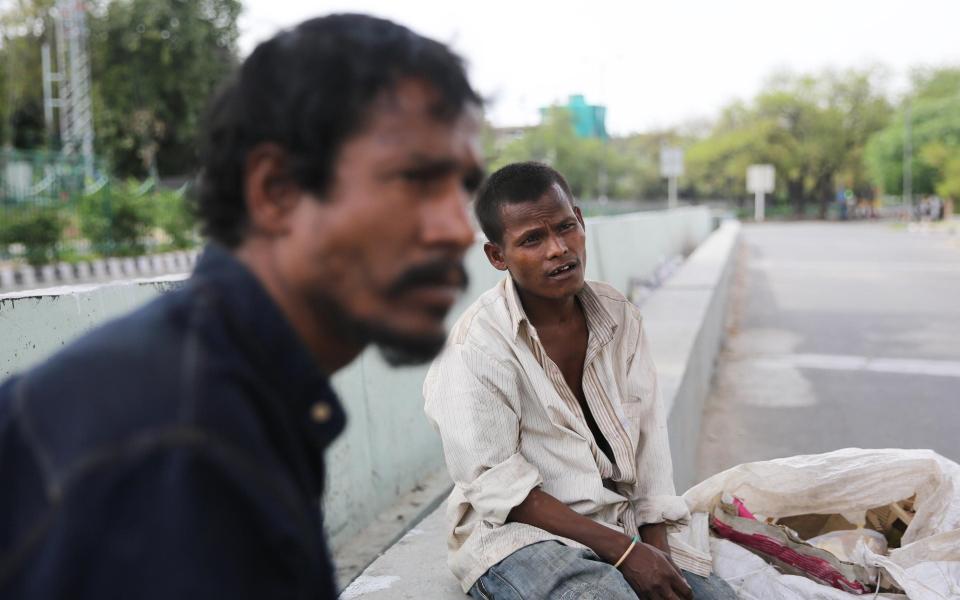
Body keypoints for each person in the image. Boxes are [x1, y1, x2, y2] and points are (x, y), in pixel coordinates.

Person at [0, 14, 482, 599]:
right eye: (417, 180)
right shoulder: (180, 454)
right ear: (276, 190)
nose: (459, 228)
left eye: (464, 188)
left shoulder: (225, 395)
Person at [424, 162, 737, 599]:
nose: (558, 249)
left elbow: (650, 457)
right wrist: (628, 555)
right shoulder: (476, 347)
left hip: (615, 525)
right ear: (498, 256)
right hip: (518, 540)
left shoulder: (619, 316)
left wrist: (656, 555)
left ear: (582, 222)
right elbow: (501, 492)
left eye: (565, 227)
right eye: (532, 240)